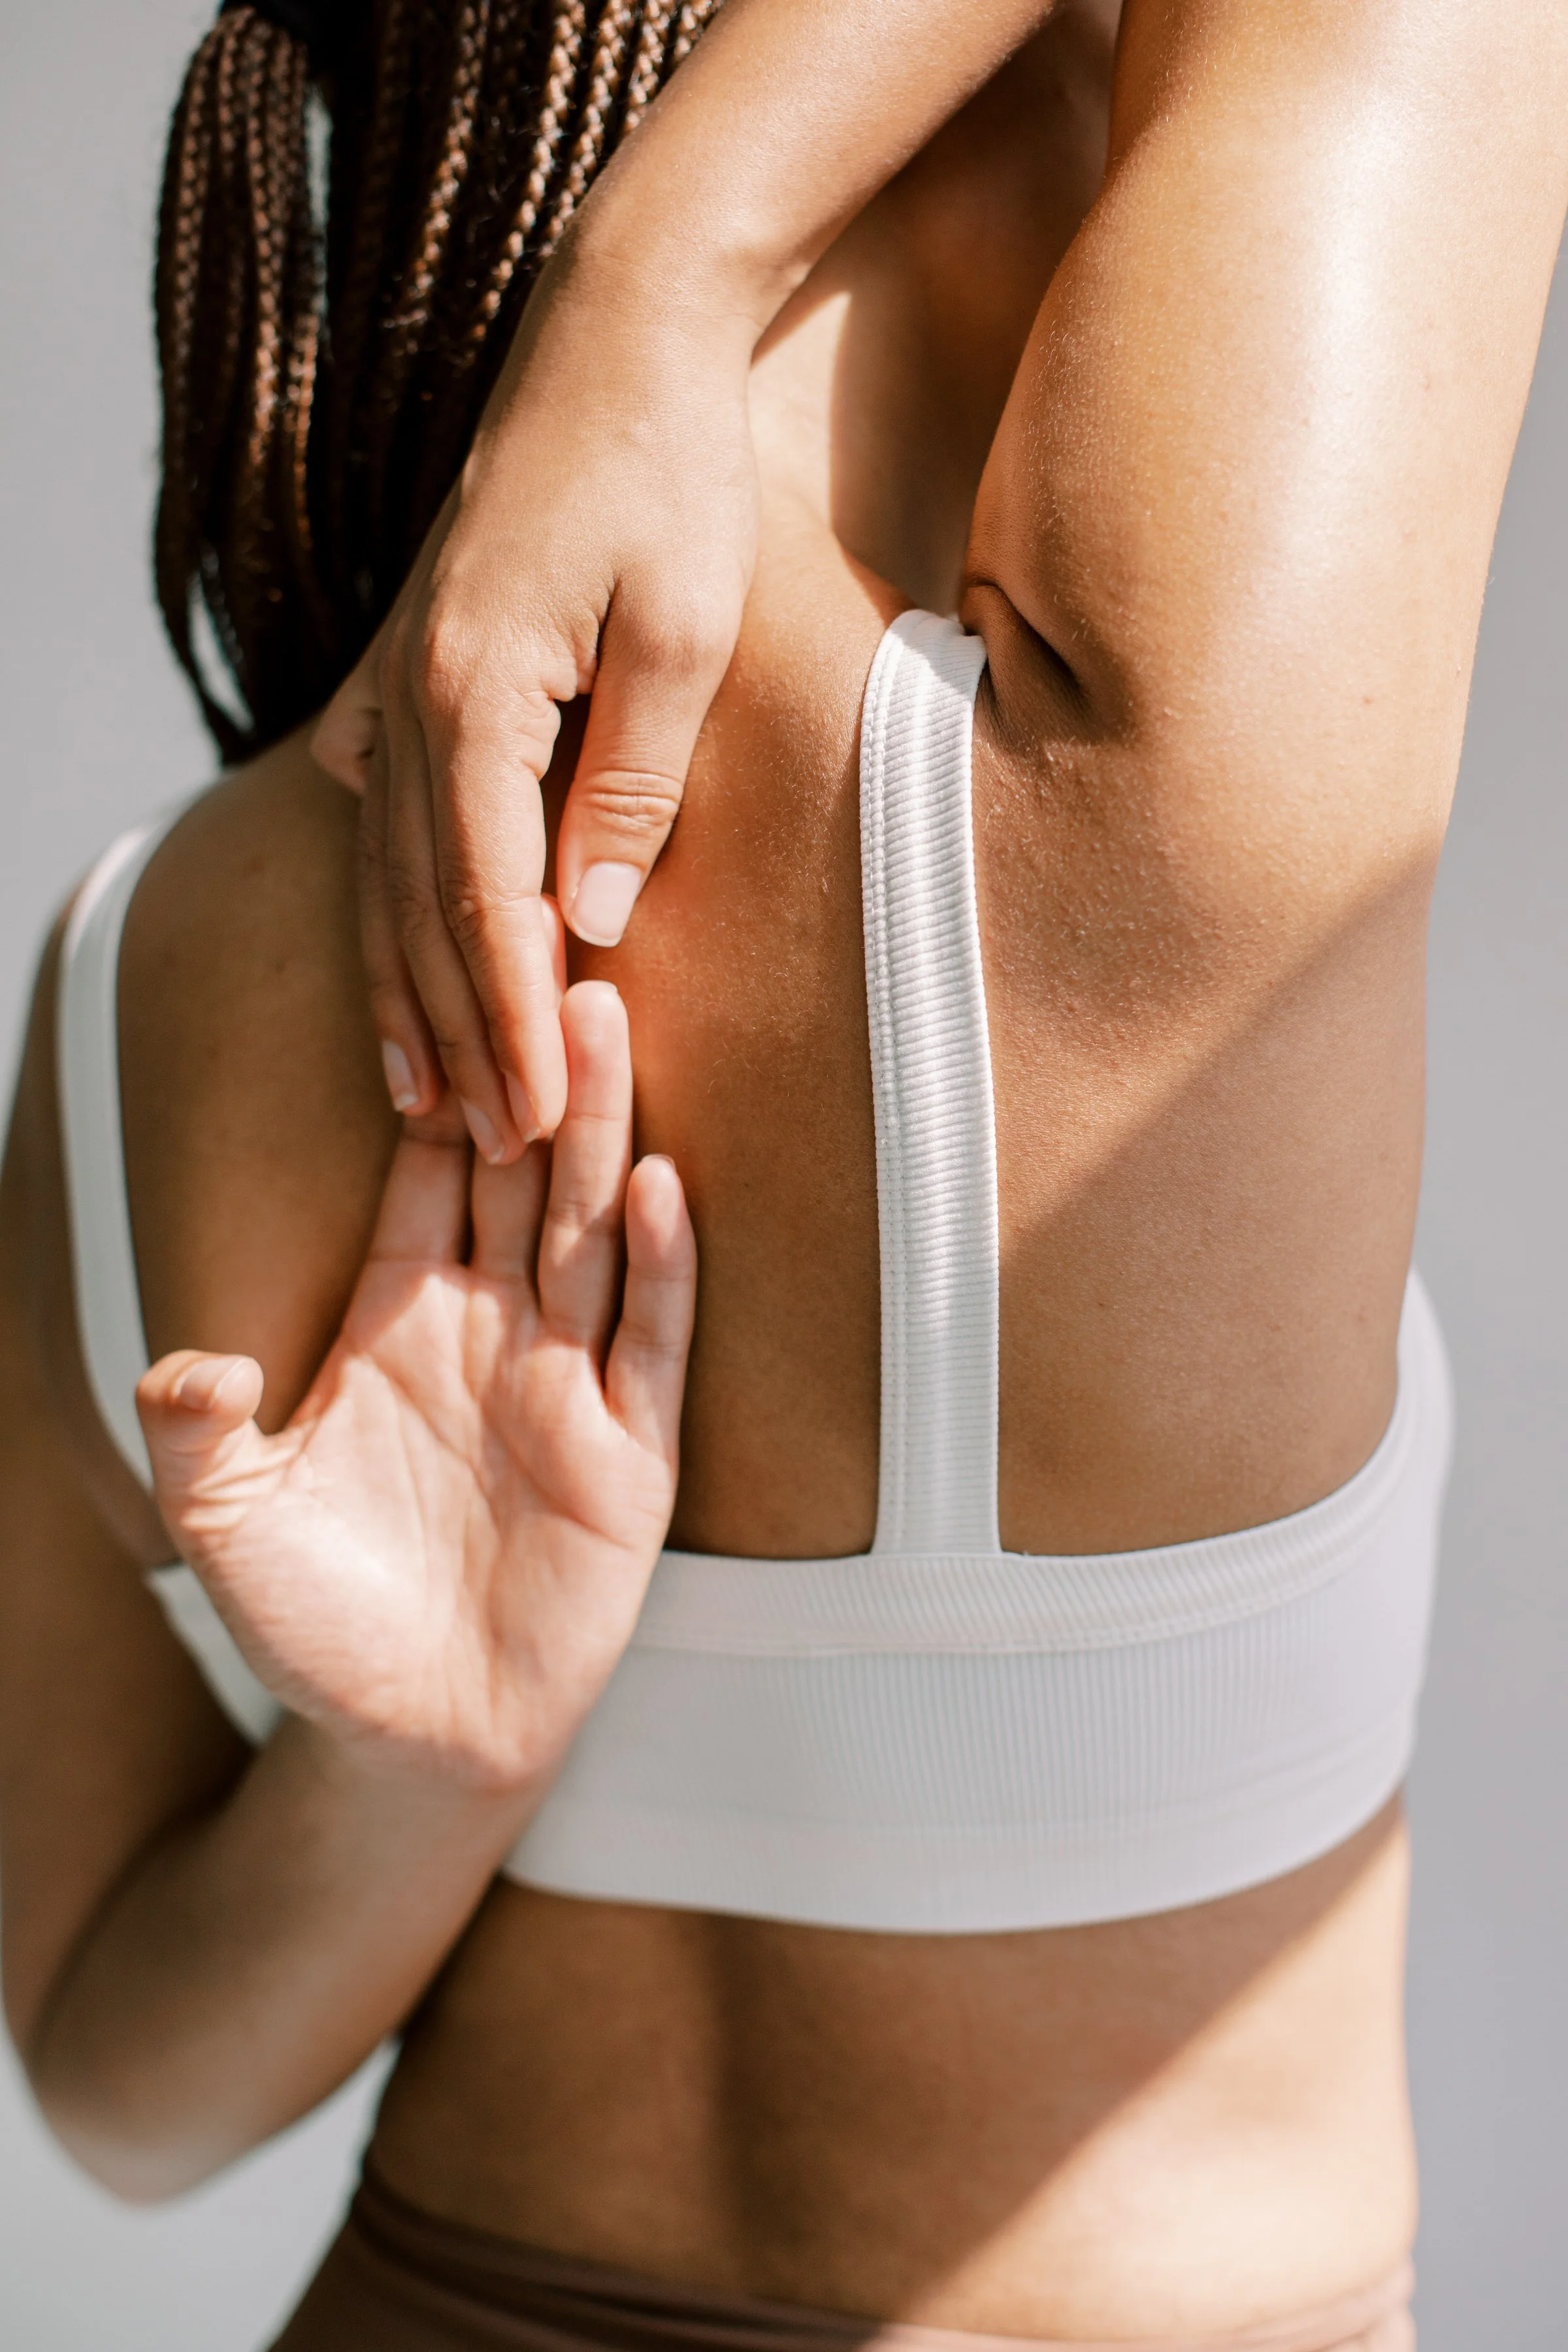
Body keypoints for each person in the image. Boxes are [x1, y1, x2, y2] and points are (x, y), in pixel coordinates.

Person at [1, 4, 1564, 2350]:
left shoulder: (155, 966)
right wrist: (667, 265)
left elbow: (118, 2098)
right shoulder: (1177, 714)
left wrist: (419, 1782)